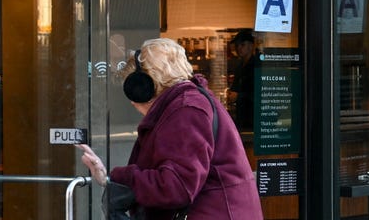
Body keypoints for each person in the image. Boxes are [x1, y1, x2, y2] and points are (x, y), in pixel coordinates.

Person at [77, 38, 262, 219]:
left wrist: (119, 177)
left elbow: (176, 186)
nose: (133, 100)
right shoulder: (188, 104)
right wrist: (109, 178)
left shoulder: (187, 111)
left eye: (134, 89)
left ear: (147, 85)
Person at [227, 29, 260, 131]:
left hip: (254, 117)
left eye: (242, 45)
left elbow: (261, 94)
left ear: (251, 46)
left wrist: (238, 96)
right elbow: (236, 87)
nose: (238, 48)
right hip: (242, 116)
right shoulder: (239, 66)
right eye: (237, 46)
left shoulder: (257, 66)